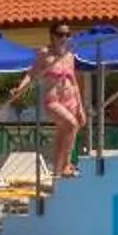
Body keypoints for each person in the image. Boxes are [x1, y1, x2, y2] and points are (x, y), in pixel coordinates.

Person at [8, 24, 84, 178]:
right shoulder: (44, 54)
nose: (64, 38)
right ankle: (66, 165)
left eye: (67, 34)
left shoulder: (69, 56)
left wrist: (80, 106)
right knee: (71, 124)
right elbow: (31, 74)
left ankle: (57, 171)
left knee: (64, 132)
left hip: (70, 99)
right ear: (52, 36)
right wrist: (20, 88)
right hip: (53, 99)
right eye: (60, 34)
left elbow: (74, 82)